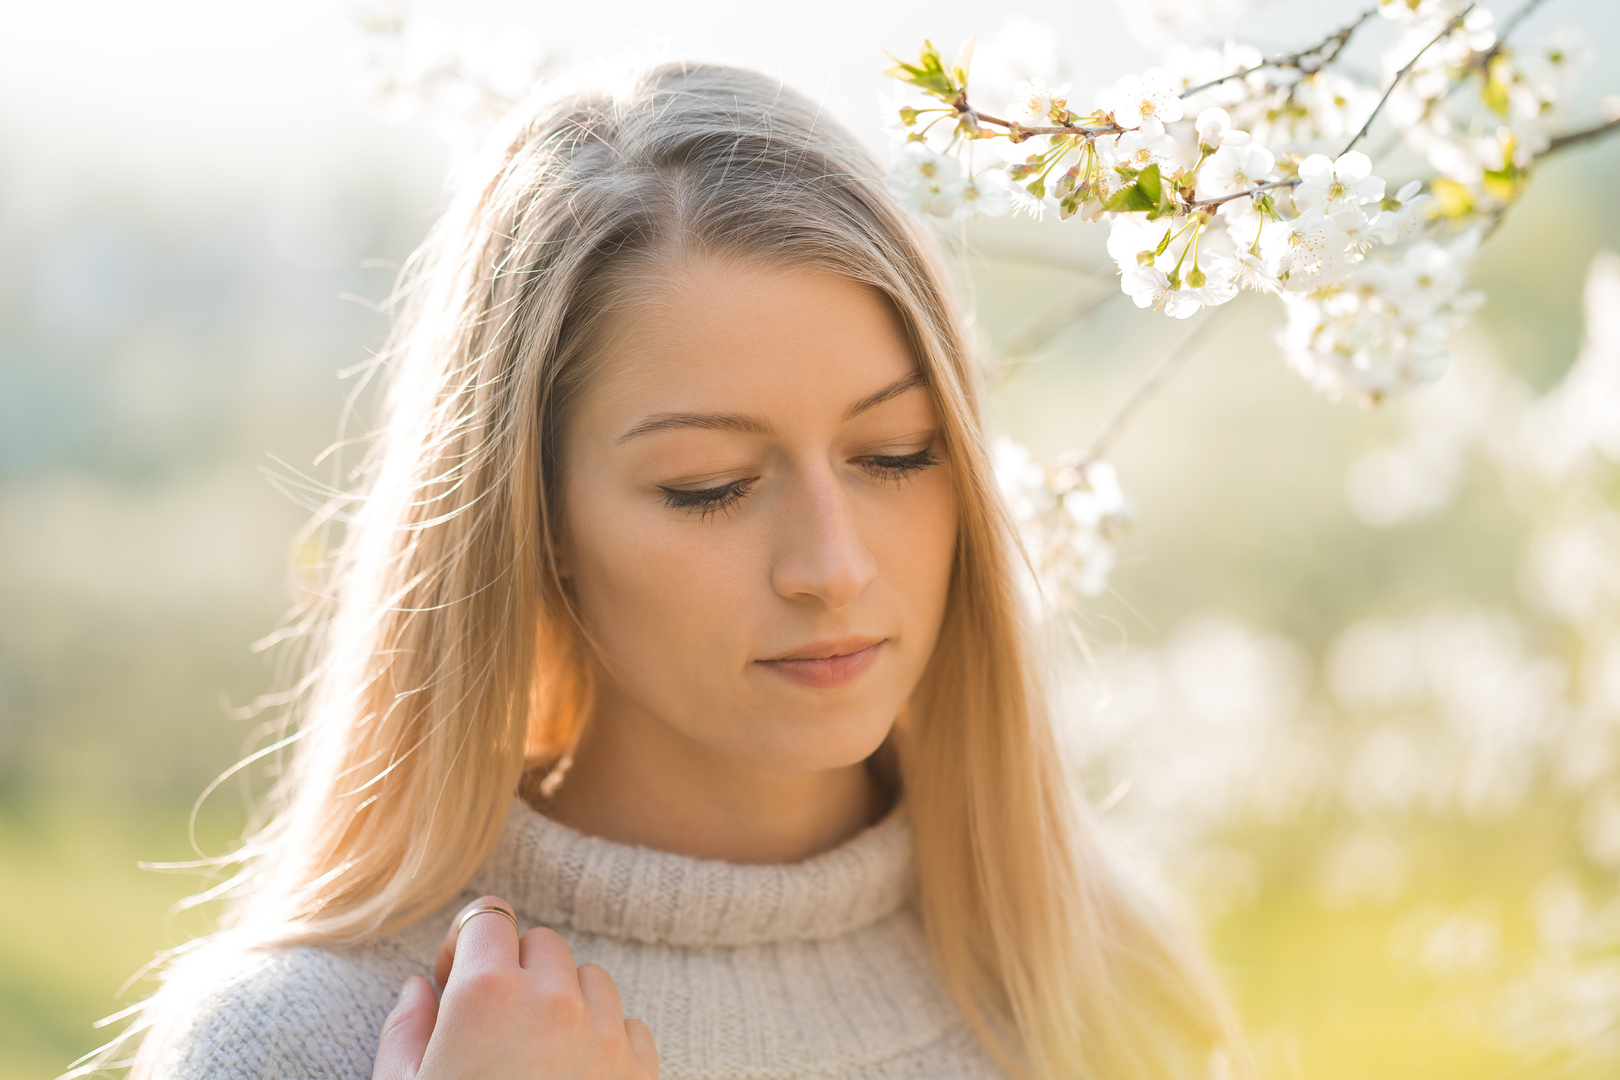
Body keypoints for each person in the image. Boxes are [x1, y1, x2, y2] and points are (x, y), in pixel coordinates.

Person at [105, 61, 1238, 1080]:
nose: (831, 567)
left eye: (893, 457)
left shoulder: (1110, 980)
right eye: (710, 485)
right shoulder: (307, 1038)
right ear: (535, 518)